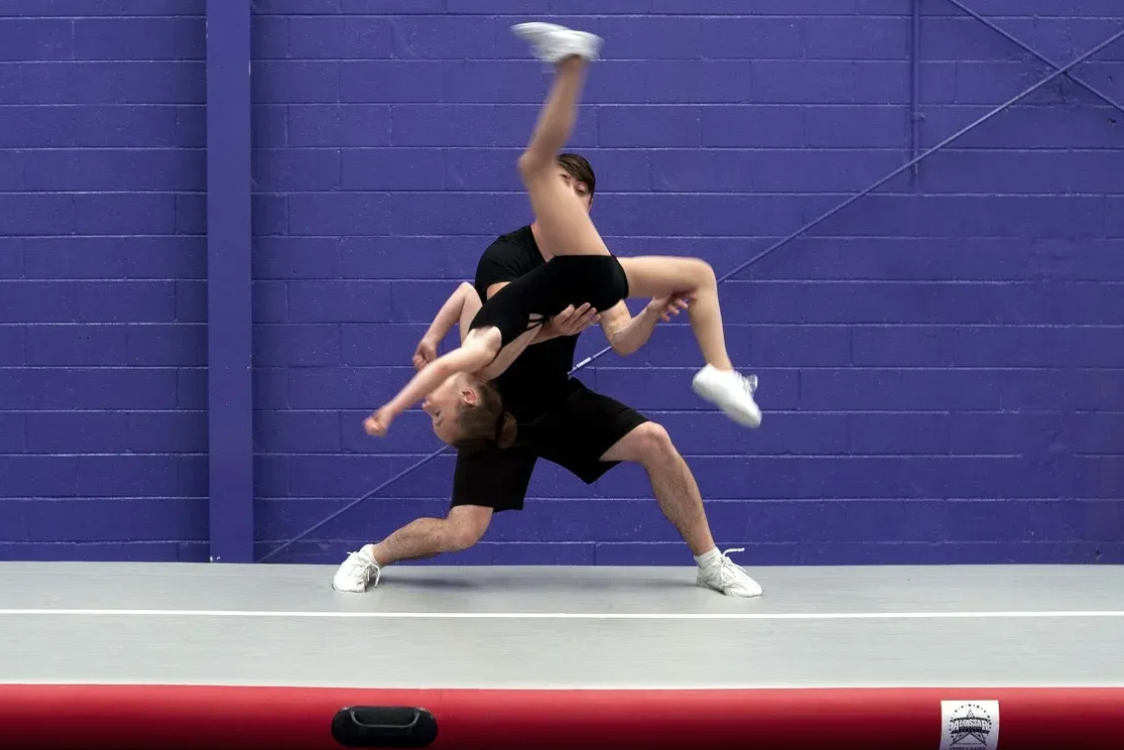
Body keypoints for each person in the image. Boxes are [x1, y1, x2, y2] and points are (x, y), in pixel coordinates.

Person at [331, 21, 764, 599]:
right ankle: (372, 555)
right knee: (462, 532)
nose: (570, 199)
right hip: (497, 403)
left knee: (655, 440)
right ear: (547, 198)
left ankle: (711, 561)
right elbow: (489, 344)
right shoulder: (506, 257)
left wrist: (654, 312)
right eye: (561, 186)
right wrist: (546, 331)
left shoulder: (596, 262)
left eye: (580, 193)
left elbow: (624, 342)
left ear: (588, 205)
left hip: (556, 398)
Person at [361, 23, 762, 447]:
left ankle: (721, 373)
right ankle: (571, 63)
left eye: (429, 413)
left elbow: (464, 294)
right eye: (438, 413)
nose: (428, 407)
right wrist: (390, 410)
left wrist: (431, 335)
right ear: (466, 396)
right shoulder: (479, 359)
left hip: (587, 276)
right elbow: (439, 371)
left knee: (700, 275)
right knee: (534, 165)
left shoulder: (475, 345)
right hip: (583, 276)